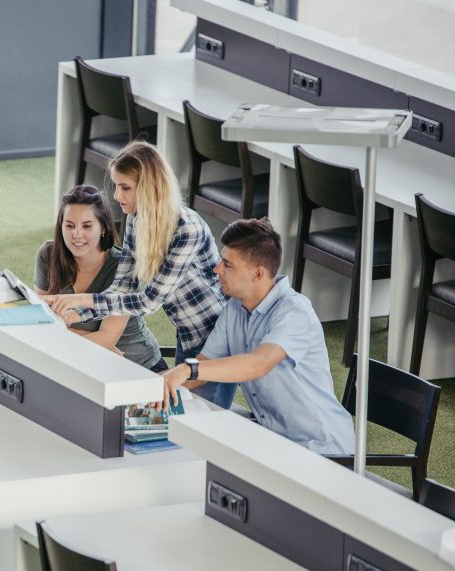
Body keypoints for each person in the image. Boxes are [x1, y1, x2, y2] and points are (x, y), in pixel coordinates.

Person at [42, 141, 232, 406]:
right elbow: (123, 287)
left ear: (150, 187)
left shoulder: (186, 229)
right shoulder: (135, 218)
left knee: (201, 417)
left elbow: (149, 302)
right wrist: (68, 316)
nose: (116, 195)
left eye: (125, 187)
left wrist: (82, 300)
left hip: (215, 338)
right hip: (186, 332)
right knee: (179, 414)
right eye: (116, 185)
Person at [162, 218, 355, 455]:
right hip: (272, 440)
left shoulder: (294, 312)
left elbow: (258, 364)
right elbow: (203, 368)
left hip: (321, 449)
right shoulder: (234, 309)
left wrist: (186, 370)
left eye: (227, 264)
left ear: (257, 273)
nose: (217, 269)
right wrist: (151, 387)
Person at [34, 185, 166, 372]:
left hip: (136, 366)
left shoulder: (124, 267)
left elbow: (106, 337)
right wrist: (97, 344)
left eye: (87, 226)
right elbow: (40, 321)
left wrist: (97, 342)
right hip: (85, 359)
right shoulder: (48, 255)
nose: (76, 234)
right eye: (69, 225)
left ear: (103, 228)